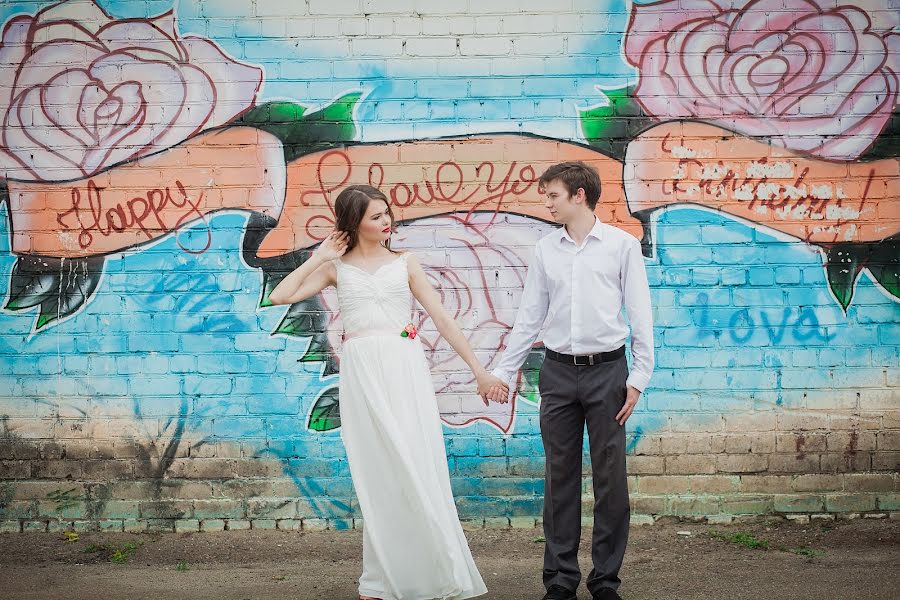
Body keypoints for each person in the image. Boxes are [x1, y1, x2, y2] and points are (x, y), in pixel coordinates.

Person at [269, 184, 508, 600]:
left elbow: (443, 319)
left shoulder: (405, 263)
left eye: (387, 214)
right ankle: (379, 579)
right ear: (354, 222)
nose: (387, 221)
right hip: (363, 371)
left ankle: (435, 570)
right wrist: (320, 257)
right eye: (376, 216)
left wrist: (479, 371)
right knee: (378, 473)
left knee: (414, 463)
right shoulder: (335, 267)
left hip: (403, 367)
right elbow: (280, 295)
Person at [488, 162, 654, 600]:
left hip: (609, 374)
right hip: (558, 372)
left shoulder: (621, 246)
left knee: (609, 479)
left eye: (552, 196)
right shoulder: (546, 249)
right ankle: (560, 580)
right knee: (559, 477)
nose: (547, 204)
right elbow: (529, 317)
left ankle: (605, 581)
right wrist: (504, 371)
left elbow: (640, 314)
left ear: (579, 195)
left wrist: (638, 378)